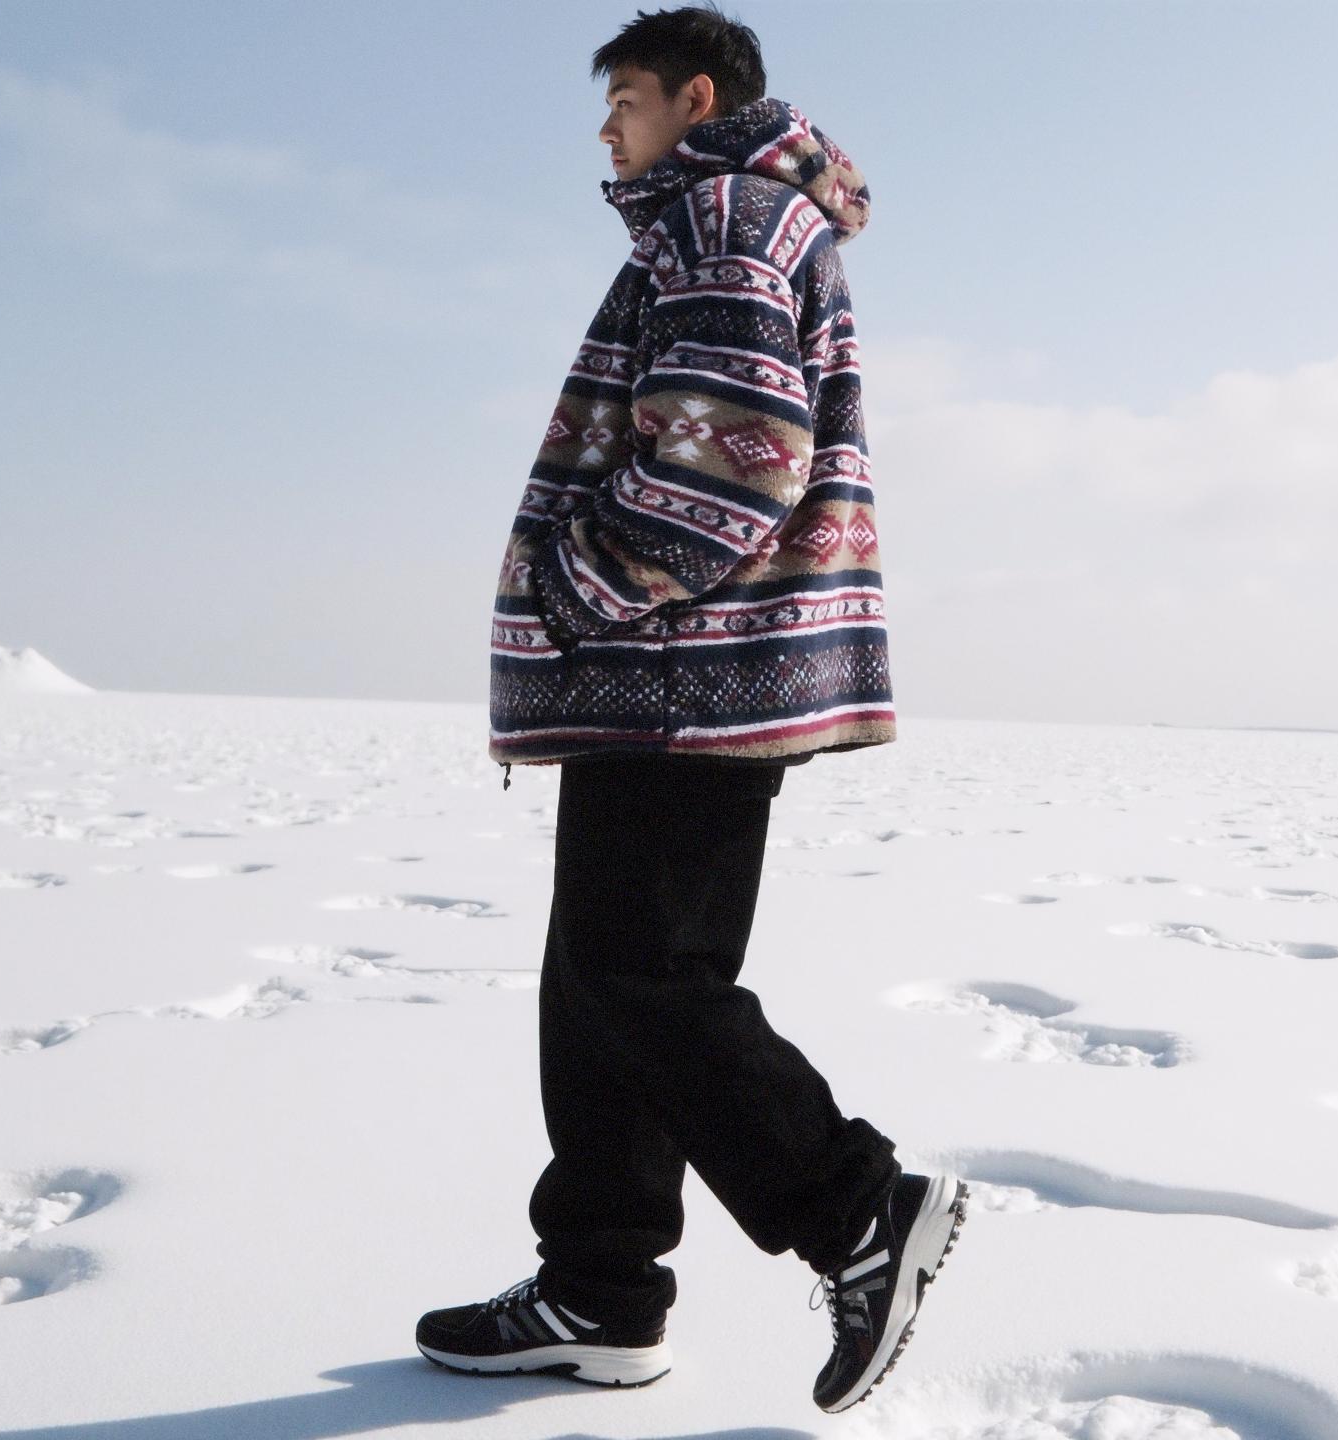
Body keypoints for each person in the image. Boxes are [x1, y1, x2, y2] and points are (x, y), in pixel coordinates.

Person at [413, 3, 966, 1416]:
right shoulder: (739, 218)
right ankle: (600, 1289)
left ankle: (854, 1209)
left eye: (627, 101)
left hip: (676, 669)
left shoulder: (724, 216)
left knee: (640, 980)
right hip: (678, 676)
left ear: (697, 97)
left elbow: (739, 456)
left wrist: (581, 589)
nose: (606, 131)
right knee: (604, 984)